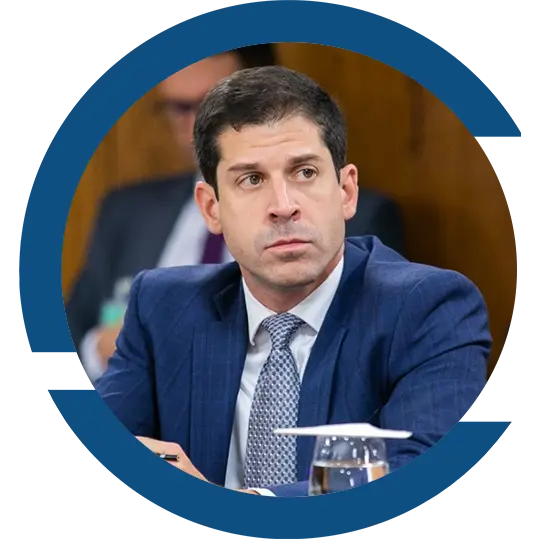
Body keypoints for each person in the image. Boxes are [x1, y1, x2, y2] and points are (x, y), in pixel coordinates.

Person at [92, 65, 491, 497]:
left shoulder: (428, 308)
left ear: (346, 191)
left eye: (304, 172)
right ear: (211, 209)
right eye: (251, 179)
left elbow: (430, 476)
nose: (283, 206)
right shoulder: (162, 308)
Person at [65, 46, 406, 382]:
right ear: (209, 207)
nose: (197, 125)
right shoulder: (126, 211)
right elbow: (62, 342)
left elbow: (368, 354)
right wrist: (100, 350)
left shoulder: (352, 216)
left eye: (213, 104)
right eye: (180, 108)